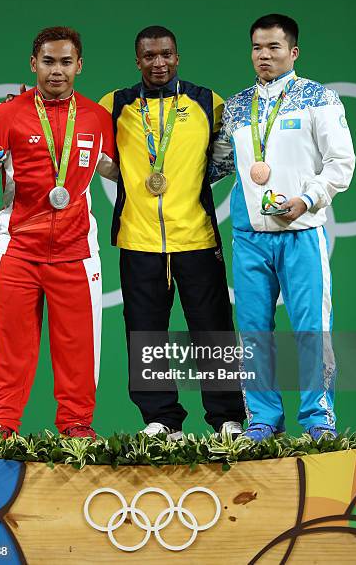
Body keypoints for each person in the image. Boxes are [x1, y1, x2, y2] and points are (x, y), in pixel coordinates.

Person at [0, 26, 118, 439]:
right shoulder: (7, 115)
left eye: (66, 62)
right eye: (48, 61)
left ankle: (77, 430)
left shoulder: (96, 118)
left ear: (79, 66)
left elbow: (120, 171)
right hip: (19, 253)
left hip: (76, 254)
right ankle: (0, 427)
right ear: (34, 64)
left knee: (79, 350)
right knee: (10, 347)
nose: (57, 71)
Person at [210, 14, 356, 442]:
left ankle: (317, 418)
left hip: (301, 231)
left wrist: (308, 199)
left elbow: (341, 163)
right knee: (253, 332)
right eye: (257, 47)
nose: (264, 55)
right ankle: (263, 417)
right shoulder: (236, 107)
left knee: (311, 329)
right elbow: (215, 166)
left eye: (273, 47)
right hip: (249, 235)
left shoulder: (318, 98)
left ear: (293, 52)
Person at [99, 25, 246, 438]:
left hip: (196, 234)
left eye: (165, 54)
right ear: (138, 61)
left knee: (213, 329)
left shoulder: (206, 102)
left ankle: (227, 418)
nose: (158, 62)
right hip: (138, 237)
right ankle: (161, 420)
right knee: (144, 332)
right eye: (149, 56)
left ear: (177, 57)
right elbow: (87, 144)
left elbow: (228, 157)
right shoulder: (116, 105)